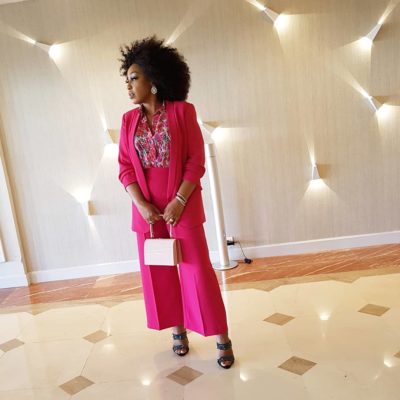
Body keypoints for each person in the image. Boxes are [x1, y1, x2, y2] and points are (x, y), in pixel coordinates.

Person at [117, 36, 235, 369]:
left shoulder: (183, 112)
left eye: (134, 78)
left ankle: (221, 337)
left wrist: (180, 200)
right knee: (160, 273)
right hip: (147, 213)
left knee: (198, 272)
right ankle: (177, 330)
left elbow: (195, 161)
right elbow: (124, 167)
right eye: (126, 79)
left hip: (182, 206)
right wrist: (141, 204)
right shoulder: (128, 121)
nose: (128, 86)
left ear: (154, 79)